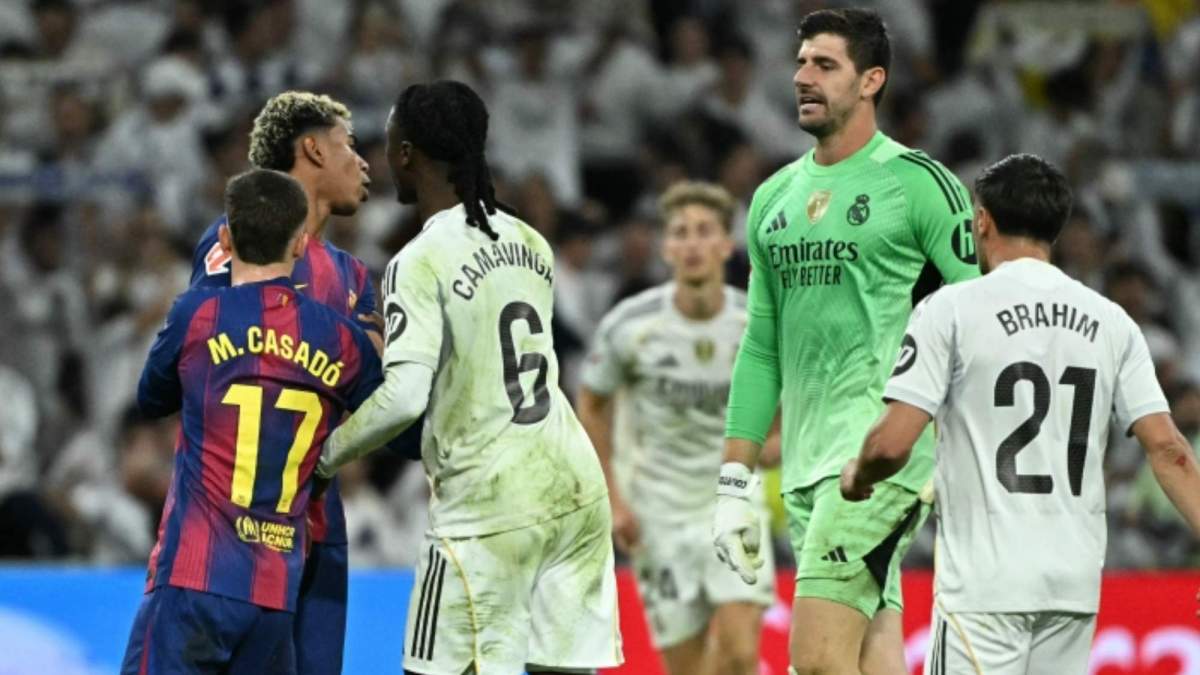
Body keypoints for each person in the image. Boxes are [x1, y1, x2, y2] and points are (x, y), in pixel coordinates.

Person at [840, 153, 1200, 674]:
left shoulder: (951, 310)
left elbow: (893, 443)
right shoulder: (1113, 322)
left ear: (981, 220)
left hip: (986, 586)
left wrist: (858, 473)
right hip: (1072, 587)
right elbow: (1169, 450)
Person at [315, 80, 622, 675]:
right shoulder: (532, 241)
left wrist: (325, 456)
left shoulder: (418, 260)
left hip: (489, 501)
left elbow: (404, 398)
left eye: (389, 144)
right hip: (574, 488)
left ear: (407, 154)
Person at [710, 8, 980, 675]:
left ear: (871, 81)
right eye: (801, 62)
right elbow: (762, 345)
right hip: (804, 463)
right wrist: (735, 478)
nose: (803, 77)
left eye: (825, 65)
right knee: (874, 650)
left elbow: (984, 310)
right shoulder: (772, 198)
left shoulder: (919, 184)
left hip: (878, 460)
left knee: (818, 659)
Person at [122, 169, 385, 674]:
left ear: (225, 237)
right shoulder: (339, 339)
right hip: (275, 596)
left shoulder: (197, 314)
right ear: (300, 243)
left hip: (193, 581)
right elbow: (388, 408)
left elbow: (150, 398)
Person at [189, 90, 379, 675]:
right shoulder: (233, 242)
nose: (364, 163)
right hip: (231, 533)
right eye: (350, 147)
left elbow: (372, 392)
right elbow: (207, 361)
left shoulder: (354, 276)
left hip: (319, 528)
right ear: (313, 149)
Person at [577, 181, 775, 675]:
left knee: (739, 654)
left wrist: (776, 441)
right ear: (666, 248)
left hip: (733, 502)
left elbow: (796, 388)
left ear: (726, 245)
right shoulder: (631, 325)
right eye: (680, 233)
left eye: (705, 231)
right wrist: (613, 498)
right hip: (657, 512)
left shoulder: (757, 322)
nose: (692, 244)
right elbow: (593, 404)